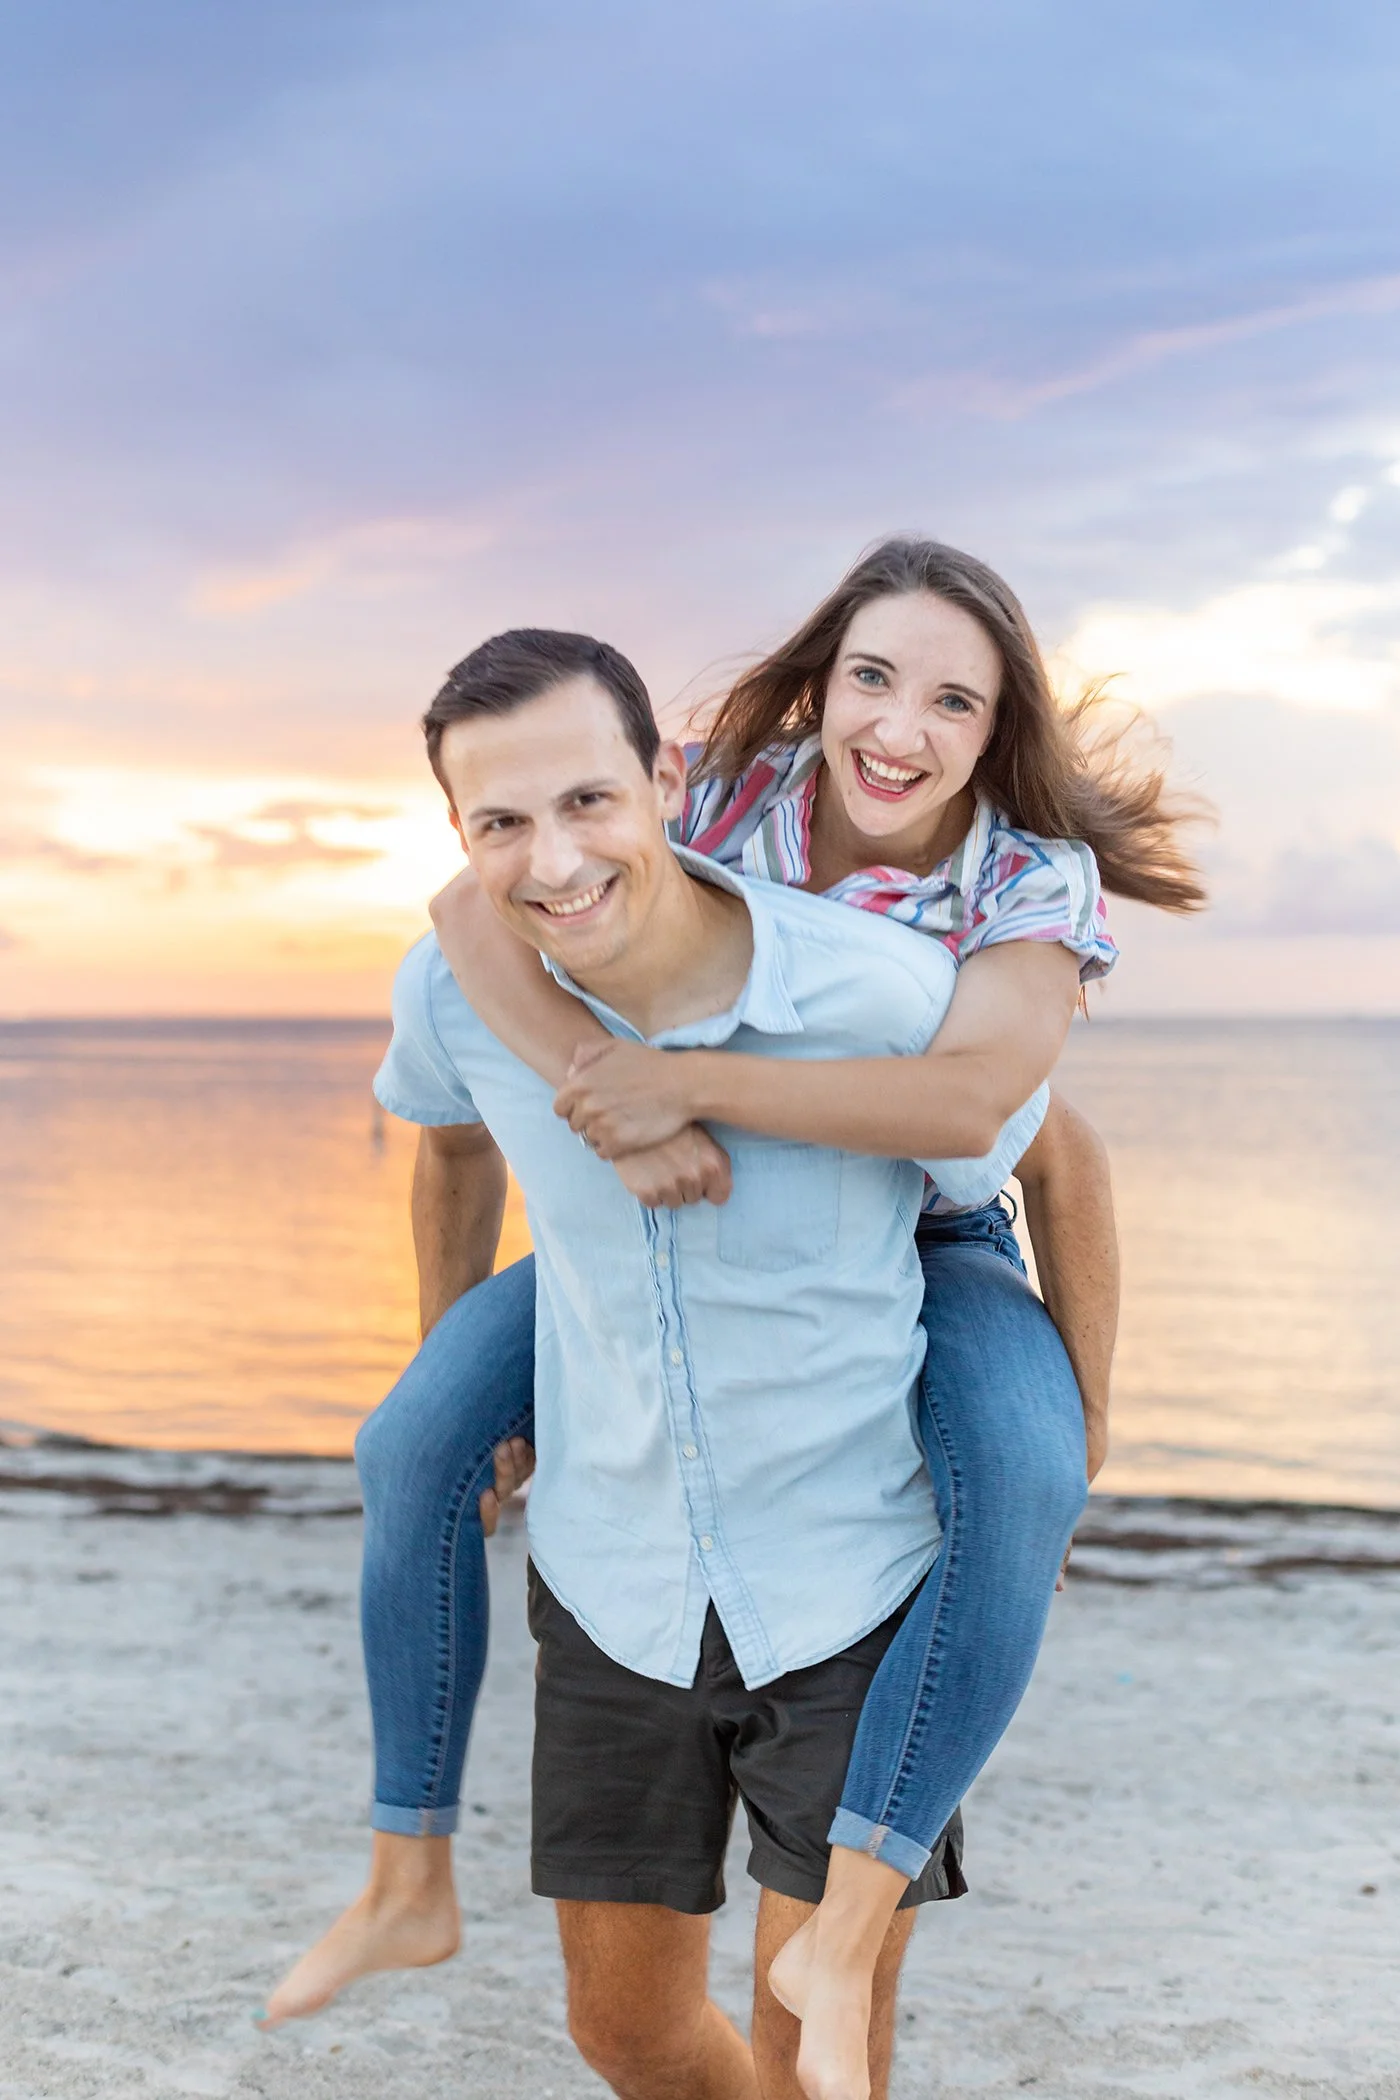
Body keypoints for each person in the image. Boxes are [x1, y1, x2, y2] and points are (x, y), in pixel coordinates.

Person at [263, 543, 1200, 2096]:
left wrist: (1086, 1397)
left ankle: (857, 1902)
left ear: (995, 729)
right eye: (874, 680)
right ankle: (403, 1867)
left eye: (952, 699)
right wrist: (603, 1102)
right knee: (419, 1427)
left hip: (940, 1221)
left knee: (1029, 1481)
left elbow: (1020, 1129)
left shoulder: (1021, 883)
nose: (900, 728)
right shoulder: (710, 800)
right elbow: (480, 893)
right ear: (821, 686)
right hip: (656, 1359)